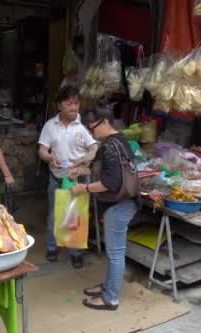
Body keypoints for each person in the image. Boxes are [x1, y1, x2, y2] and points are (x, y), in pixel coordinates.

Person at [69, 108, 139, 311]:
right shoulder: (117, 140)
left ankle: (111, 297)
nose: (91, 135)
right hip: (123, 202)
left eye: (92, 130)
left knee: (116, 253)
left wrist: (84, 188)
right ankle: (108, 286)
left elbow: (111, 182)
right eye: (88, 131)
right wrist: (81, 170)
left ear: (105, 122)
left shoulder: (110, 146)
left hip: (120, 204)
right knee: (113, 251)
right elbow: (101, 170)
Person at [38, 86, 98, 268]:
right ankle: (52, 247)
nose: (74, 107)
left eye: (76, 103)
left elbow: (94, 148)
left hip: (77, 179)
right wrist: (50, 157)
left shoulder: (83, 126)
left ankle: (76, 252)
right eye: (69, 103)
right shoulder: (50, 126)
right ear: (59, 105)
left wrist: (85, 158)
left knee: (76, 216)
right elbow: (42, 150)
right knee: (55, 215)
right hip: (56, 178)